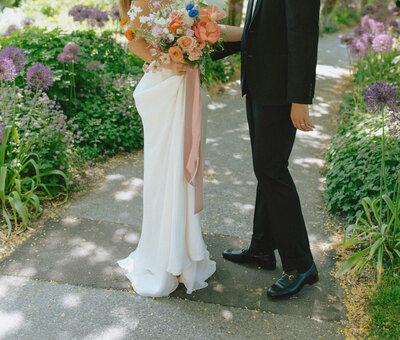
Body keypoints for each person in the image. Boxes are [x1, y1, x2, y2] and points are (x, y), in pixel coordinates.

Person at [214, 0, 321, 298]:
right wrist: (204, 40)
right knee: (265, 168)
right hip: (260, 86)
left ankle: (301, 265)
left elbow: (302, 36)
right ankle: (262, 248)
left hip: (282, 92)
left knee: (271, 169)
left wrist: (301, 99)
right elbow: (260, 31)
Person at [116, 0, 216, 297]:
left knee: (180, 164)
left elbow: (208, 24)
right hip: (166, 85)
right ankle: (167, 256)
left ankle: (182, 251)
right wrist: (169, 60)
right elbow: (134, 40)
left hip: (183, 82)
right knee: (167, 169)